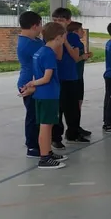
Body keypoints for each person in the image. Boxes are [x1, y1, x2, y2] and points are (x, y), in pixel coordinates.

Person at [24, 22, 70, 169]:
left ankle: (48, 152)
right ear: (58, 37)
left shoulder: (40, 52)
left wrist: (32, 83)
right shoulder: (49, 54)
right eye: (64, 38)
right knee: (46, 126)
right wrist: (32, 84)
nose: (64, 40)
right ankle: (44, 158)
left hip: (42, 95)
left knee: (47, 125)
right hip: (48, 95)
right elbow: (46, 78)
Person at [51, 7, 90, 146]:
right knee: (57, 110)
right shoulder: (49, 35)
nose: (57, 22)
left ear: (68, 21)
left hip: (71, 76)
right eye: (55, 20)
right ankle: (56, 138)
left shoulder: (72, 37)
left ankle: (73, 133)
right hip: (55, 77)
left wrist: (64, 40)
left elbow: (74, 56)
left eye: (60, 20)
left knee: (72, 109)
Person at [16, 11, 44, 158]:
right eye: (41, 24)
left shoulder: (34, 41)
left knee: (38, 116)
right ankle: (32, 147)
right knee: (33, 116)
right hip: (30, 84)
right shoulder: (28, 44)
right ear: (35, 25)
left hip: (35, 82)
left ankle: (39, 142)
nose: (42, 27)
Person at [67, 21, 92, 138]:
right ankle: (72, 130)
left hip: (78, 75)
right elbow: (74, 58)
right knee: (74, 104)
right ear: (75, 31)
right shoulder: (73, 41)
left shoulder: (77, 42)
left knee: (79, 102)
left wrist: (84, 57)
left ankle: (76, 126)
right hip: (74, 76)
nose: (83, 32)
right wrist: (82, 57)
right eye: (81, 30)